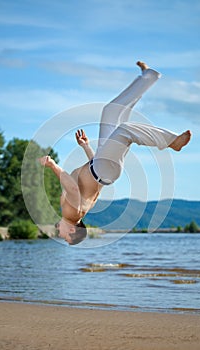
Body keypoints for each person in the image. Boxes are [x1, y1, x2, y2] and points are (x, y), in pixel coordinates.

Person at [38, 61, 191, 245]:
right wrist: (53, 165)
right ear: (72, 230)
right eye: (63, 236)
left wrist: (86, 147)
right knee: (125, 130)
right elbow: (72, 187)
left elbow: (93, 179)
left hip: (101, 167)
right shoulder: (71, 214)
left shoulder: (78, 210)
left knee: (111, 111)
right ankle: (172, 142)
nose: (59, 234)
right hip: (103, 169)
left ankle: (148, 77)